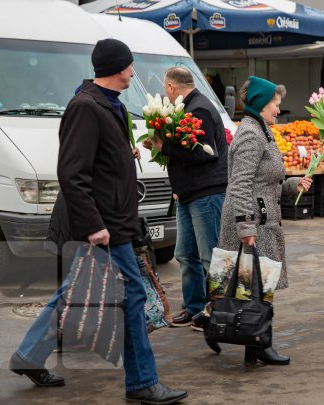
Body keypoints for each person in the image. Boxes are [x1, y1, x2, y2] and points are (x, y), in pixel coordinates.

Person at [9, 39, 187, 404]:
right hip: (104, 227)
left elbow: (102, 161)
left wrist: (126, 153)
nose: (133, 72)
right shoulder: (85, 107)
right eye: (129, 66)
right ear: (116, 68)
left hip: (118, 222)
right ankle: (142, 382)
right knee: (133, 296)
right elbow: (72, 173)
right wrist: (94, 225)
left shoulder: (111, 106)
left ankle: (28, 355)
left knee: (74, 293)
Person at [216, 76, 311, 365]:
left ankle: (255, 343)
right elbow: (240, 183)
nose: (278, 110)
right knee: (251, 286)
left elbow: (264, 181)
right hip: (252, 223)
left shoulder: (262, 130)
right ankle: (257, 342)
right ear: (261, 104)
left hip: (263, 220)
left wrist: (293, 184)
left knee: (258, 286)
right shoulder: (251, 134)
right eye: (275, 104)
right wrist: (245, 226)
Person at [143, 67, 229, 330]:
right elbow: (185, 149)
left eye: (164, 90)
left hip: (206, 194)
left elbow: (206, 153)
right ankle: (194, 308)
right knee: (184, 254)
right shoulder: (188, 107)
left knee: (210, 256)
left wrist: (163, 147)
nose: (165, 95)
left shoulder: (199, 108)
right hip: (188, 194)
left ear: (170, 87)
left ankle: (220, 312)